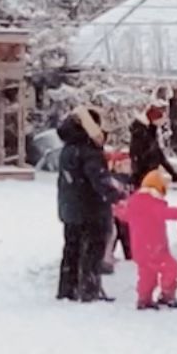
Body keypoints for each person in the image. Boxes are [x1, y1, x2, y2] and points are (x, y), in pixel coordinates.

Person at [57, 106, 125, 303]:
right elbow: (99, 179)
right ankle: (89, 290)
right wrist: (117, 195)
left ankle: (68, 289)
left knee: (72, 248)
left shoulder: (68, 148)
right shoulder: (89, 151)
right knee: (93, 250)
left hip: (70, 208)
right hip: (91, 209)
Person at [112, 171, 177, 310]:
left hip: (138, 248)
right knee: (171, 268)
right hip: (155, 247)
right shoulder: (153, 204)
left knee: (146, 274)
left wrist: (117, 208)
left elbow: (123, 215)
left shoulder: (133, 202)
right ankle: (167, 295)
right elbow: (169, 213)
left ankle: (144, 299)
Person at [129, 103, 177, 188]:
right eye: (161, 119)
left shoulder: (150, 132)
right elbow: (139, 157)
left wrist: (172, 173)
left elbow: (158, 155)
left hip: (148, 175)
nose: (163, 123)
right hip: (144, 177)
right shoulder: (141, 134)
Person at [101, 151, 134, 275]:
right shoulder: (114, 179)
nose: (128, 167)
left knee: (128, 241)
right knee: (112, 238)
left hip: (127, 216)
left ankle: (129, 258)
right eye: (125, 164)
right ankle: (107, 258)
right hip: (117, 215)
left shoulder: (130, 179)